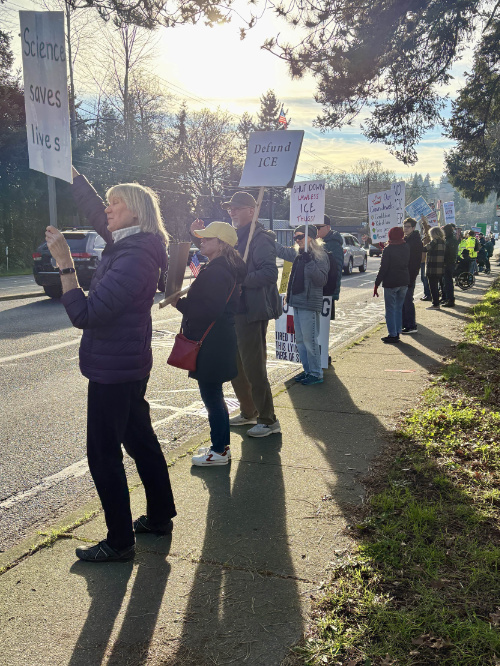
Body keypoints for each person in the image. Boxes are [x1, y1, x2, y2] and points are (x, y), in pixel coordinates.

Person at [45, 167, 176, 563]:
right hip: (126, 364)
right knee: (140, 442)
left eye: (116, 202)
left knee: (103, 454)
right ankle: (159, 517)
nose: (108, 207)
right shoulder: (129, 244)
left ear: (136, 212)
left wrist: (66, 264)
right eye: (109, 200)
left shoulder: (134, 258)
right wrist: (72, 174)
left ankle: (119, 541)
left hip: (113, 372)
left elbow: (87, 315)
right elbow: (92, 210)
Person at [194, 192, 283, 439]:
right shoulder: (235, 238)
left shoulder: (260, 238)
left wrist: (241, 280)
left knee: (254, 367)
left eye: (237, 208)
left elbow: (269, 274)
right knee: (236, 366)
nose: (231, 212)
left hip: (251, 310)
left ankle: (268, 419)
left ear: (251, 211)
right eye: (229, 208)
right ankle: (249, 411)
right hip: (235, 309)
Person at [172, 222, 247, 466]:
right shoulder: (225, 265)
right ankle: (220, 447)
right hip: (219, 340)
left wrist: (179, 304)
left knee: (212, 397)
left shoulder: (217, 271)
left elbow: (209, 310)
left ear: (221, 243)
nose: (201, 241)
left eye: (207, 239)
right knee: (216, 397)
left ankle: (219, 451)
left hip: (212, 343)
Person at [275, 225, 329, 384]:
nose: (297, 240)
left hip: (309, 303)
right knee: (300, 340)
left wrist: (310, 262)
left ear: (311, 237)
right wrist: (266, 236)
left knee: (310, 341)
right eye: (295, 238)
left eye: (300, 237)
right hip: (297, 302)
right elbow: (282, 251)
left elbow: (321, 280)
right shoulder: (298, 254)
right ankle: (308, 371)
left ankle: (316, 373)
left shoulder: (320, 255)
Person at [374, 227, 410, 343]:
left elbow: (383, 268)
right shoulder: (406, 246)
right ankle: (398, 330)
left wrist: (376, 284)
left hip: (391, 282)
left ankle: (392, 334)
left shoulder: (388, 249)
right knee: (398, 308)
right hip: (404, 280)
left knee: (390, 309)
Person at [315, 215, 344, 318]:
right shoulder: (314, 242)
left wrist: (332, 294)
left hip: (326, 293)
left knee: (323, 328)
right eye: (313, 228)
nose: (316, 231)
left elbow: (337, 270)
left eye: (318, 228)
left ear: (328, 227)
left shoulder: (334, 245)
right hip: (316, 293)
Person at [401, 217, 423, 334]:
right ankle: (405, 324)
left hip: (409, 275)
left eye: (408, 227)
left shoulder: (415, 241)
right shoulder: (405, 239)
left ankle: (411, 325)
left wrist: (411, 277)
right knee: (403, 301)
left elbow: (415, 262)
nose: (405, 229)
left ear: (413, 228)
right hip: (403, 274)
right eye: (404, 226)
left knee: (408, 300)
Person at [422, 223, 446, 309]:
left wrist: (421, 242)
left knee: (433, 287)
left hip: (432, 267)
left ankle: (435, 304)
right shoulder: (443, 242)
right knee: (438, 286)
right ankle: (437, 302)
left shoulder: (434, 241)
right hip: (440, 267)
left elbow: (425, 249)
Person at [442, 223, 459, 307]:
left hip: (448, 263)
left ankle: (450, 300)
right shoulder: (449, 239)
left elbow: (450, 254)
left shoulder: (451, 240)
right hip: (448, 263)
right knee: (446, 282)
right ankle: (447, 298)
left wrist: (445, 262)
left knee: (448, 282)